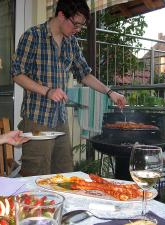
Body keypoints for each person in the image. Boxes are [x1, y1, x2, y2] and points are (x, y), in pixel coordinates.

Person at [11, 0, 126, 176]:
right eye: (76, 24)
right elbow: (17, 73)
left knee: (64, 173)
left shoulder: (71, 42)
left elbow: (84, 74)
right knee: (36, 172)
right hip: (37, 117)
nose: (78, 29)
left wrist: (110, 92)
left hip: (60, 118)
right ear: (61, 15)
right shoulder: (33, 35)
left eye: (81, 26)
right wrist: (47, 91)